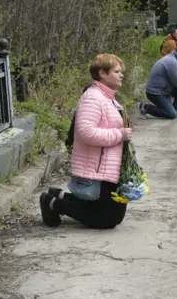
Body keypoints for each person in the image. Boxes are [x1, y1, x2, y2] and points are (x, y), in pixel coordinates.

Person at [40, 54, 131, 229]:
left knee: (115, 216)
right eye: (117, 71)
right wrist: (119, 134)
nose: (121, 75)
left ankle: (60, 197)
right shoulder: (93, 98)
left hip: (109, 166)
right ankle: (52, 203)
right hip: (98, 168)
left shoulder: (108, 97)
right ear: (102, 74)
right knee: (107, 220)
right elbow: (85, 132)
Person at [141, 40, 177, 119]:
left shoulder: (174, 59)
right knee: (171, 114)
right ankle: (145, 107)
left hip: (163, 89)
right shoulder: (173, 62)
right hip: (155, 93)